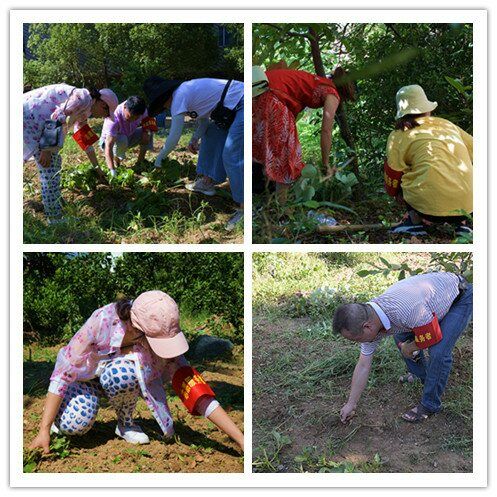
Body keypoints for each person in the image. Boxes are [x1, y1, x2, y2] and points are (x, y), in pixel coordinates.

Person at [29, 290, 244, 452]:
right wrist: (43, 429)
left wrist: (240, 439)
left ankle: (125, 423)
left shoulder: (160, 326)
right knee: (74, 424)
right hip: (86, 379)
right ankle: (62, 411)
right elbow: (62, 372)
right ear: (135, 326)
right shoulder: (101, 322)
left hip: (117, 379)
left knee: (122, 373)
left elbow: (194, 390)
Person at [332, 271, 472, 423]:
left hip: (458, 298)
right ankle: (421, 376)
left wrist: (409, 348)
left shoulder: (406, 310)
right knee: (401, 336)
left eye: (357, 339)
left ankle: (430, 404)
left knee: (438, 352)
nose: (359, 343)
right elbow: (363, 365)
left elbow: (433, 335)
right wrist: (351, 404)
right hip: (429, 308)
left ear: (367, 327)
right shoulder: (370, 317)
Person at [143, 76, 244, 231]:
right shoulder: (186, 93)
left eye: (163, 106)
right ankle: (207, 182)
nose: (167, 109)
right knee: (212, 132)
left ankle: (244, 209)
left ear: (165, 97)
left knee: (232, 155)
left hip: (242, 102)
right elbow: (204, 121)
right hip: (231, 107)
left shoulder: (178, 97)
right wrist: (195, 138)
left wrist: (159, 158)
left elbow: (174, 137)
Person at [252, 64, 356, 204]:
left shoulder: (318, 81)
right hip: (273, 97)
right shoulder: (332, 93)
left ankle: (255, 195)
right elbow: (326, 131)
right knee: (288, 156)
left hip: (258, 90)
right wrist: (325, 164)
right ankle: (280, 208)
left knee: (259, 145)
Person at [385, 85, 473, 236]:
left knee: (401, 173)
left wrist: (395, 193)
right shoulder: (448, 125)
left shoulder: (399, 134)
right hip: (467, 206)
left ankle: (414, 222)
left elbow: (393, 171)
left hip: (427, 209)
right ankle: (463, 224)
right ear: (427, 108)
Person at [23, 84, 118, 222]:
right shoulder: (83, 98)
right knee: (50, 170)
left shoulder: (86, 110)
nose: (103, 117)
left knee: (54, 164)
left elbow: (85, 141)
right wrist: (46, 149)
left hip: (39, 123)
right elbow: (57, 115)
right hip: (30, 118)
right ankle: (54, 217)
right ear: (102, 104)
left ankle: (54, 204)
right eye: (106, 114)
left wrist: (97, 168)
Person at [99, 95, 158, 177]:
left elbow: (148, 119)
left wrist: (146, 132)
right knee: (122, 139)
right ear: (125, 107)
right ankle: (117, 163)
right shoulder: (113, 119)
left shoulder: (141, 109)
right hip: (110, 141)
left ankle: (140, 163)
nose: (132, 120)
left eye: (136, 118)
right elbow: (108, 146)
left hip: (128, 136)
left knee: (149, 133)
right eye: (130, 117)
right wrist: (112, 170)